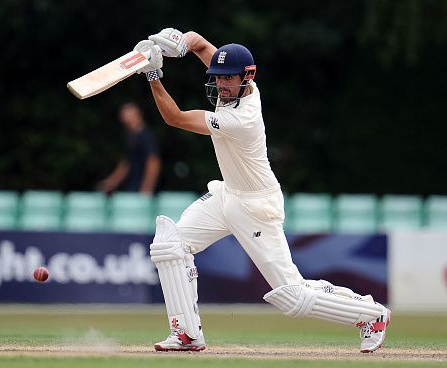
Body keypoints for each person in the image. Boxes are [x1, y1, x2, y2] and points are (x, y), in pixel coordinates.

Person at [133, 28, 391, 353]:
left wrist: (154, 74)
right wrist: (175, 43)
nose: (222, 85)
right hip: (228, 194)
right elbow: (198, 42)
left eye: (229, 79)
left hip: (256, 206)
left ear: (246, 78)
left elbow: (175, 119)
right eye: (218, 77)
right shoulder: (241, 86)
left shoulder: (242, 118)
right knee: (170, 245)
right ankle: (186, 333)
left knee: (292, 295)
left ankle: (372, 314)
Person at [97, 102, 161, 195]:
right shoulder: (130, 136)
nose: (124, 117)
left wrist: (146, 189)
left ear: (137, 114)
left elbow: (153, 162)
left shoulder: (145, 136)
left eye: (127, 113)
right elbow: (126, 163)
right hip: (131, 186)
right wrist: (111, 182)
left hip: (142, 189)